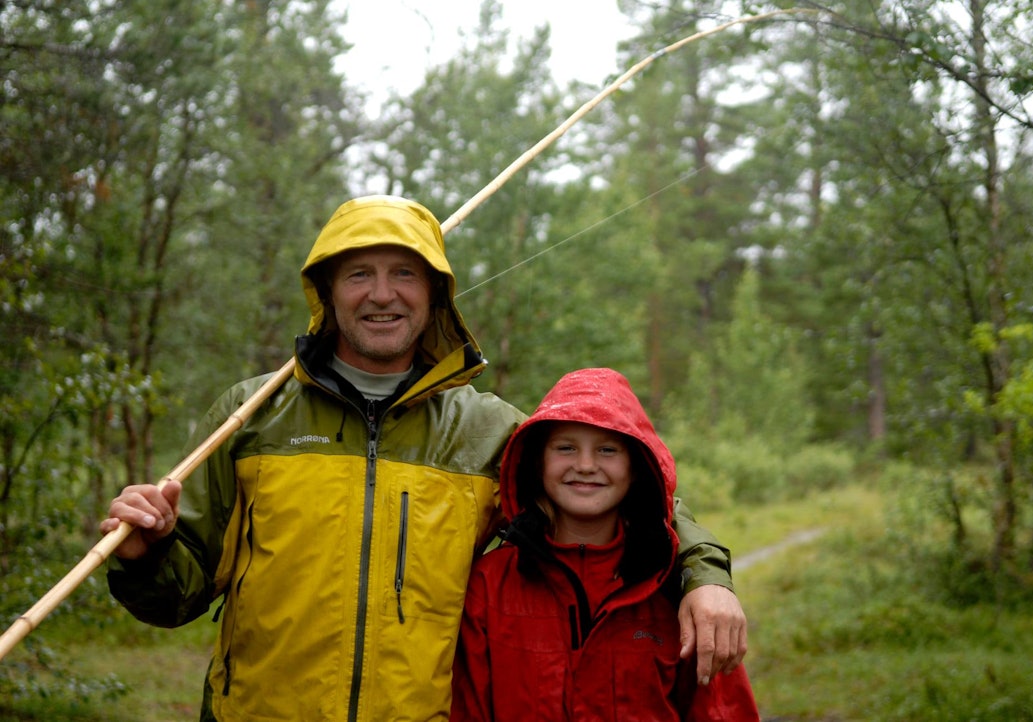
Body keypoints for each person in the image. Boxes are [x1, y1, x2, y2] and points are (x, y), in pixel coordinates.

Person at [99, 195, 748, 721]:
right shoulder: (252, 417)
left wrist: (707, 579)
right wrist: (145, 554)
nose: (382, 294)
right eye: (359, 273)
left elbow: (627, 494)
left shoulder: (490, 431)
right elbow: (173, 600)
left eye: (403, 273)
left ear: (436, 293)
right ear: (326, 290)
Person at [450, 367, 759, 721]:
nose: (584, 465)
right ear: (538, 462)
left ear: (636, 467)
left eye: (607, 450)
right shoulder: (490, 586)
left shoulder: (682, 591)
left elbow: (723, 712)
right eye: (565, 448)